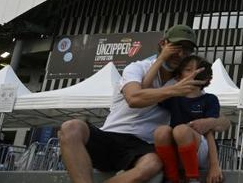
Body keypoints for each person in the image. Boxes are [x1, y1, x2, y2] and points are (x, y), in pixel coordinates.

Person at [59, 25, 231, 183]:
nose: (180, 55)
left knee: (152, 164)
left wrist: (211, 122)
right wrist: (174, 89)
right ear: (163, 44)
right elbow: (134, 98)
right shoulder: (137, 68)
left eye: (186, 51)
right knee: (71, 127)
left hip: (143, 146)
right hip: (110, 135)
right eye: (176, 48)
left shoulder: (184, 81)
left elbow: (221, 120)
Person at [150, 55, 222, 183]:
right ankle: (172, 178)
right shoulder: (173, 97)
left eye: (198, 70)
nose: (193, 73)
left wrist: (214, 165)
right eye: (188, 70)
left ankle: (193, 178)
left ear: (206, 77)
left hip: (200, 150)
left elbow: (210, 133)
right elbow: (150, 91)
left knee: (181, 130)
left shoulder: (209, 99)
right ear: (179, 75)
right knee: (160, 131)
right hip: (178, 151)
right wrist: (160, 60)